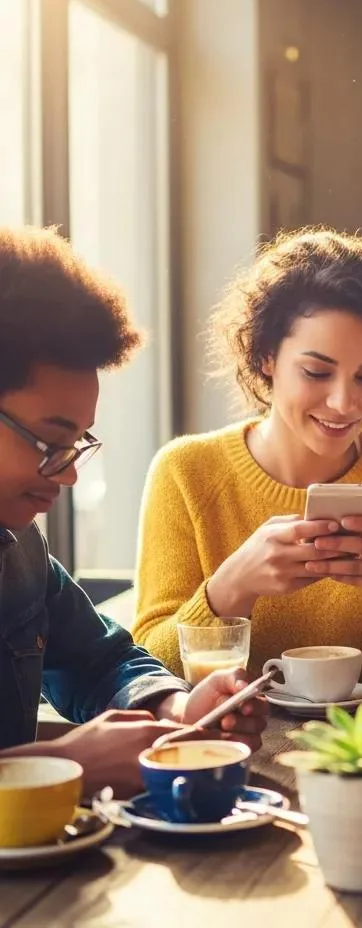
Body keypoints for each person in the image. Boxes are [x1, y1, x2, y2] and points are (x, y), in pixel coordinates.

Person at [132, 228, 362, 689]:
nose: (343, 403)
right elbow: (149, 673)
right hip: (238, 750)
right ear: (267, 357)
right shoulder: (186, 472)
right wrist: (231, 589)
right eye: (317, 372)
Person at [0, 226, 267, 797]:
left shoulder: (19, 548)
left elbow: (98, 660)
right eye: (50, 444)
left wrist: (176, 705)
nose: (69, 474)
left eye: (77, 447)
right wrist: (66, 766)